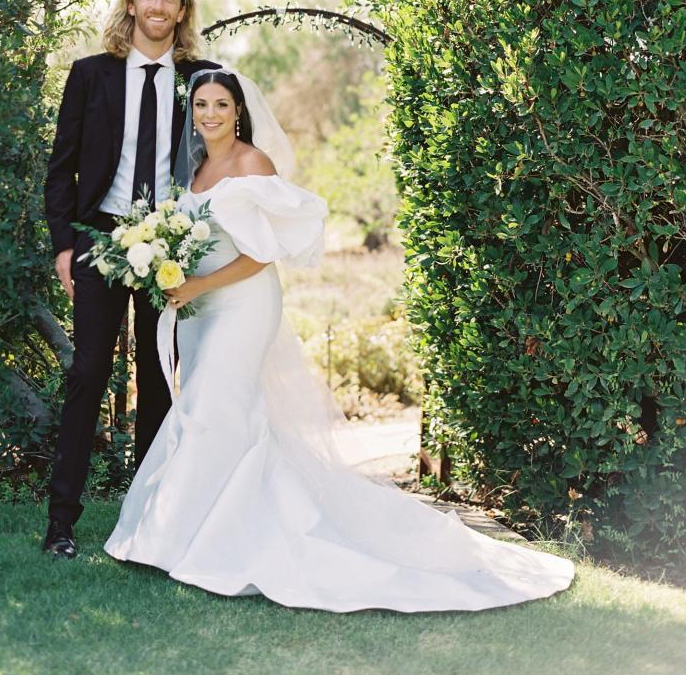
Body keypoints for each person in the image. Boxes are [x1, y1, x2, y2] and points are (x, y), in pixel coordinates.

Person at [104, 69, 575, 612]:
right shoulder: (198, 168)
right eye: (202, 105)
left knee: (215, 404)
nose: (210, 114)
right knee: (215, 410)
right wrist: (168, 272)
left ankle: (207, 541)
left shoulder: (253, 163)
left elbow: (263, 254)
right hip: (197, 309)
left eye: (221, 105)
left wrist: (197, 284)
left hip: (242, 303)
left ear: (239, 111)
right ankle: (187, 531)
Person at [42, 0, 218, 558]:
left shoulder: (200, 79)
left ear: (182, 10)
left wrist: (200, 240)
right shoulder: (91, 75)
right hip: (99, 238)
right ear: (132, 4)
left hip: (168, 244)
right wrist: (65, 244)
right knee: (87, 373)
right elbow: (61, 166)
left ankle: (152, 520)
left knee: (160, 380)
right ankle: (61, 521)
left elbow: (220, 159)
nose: (159, 8)